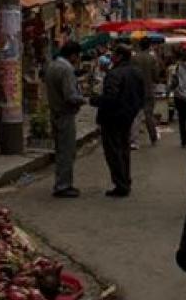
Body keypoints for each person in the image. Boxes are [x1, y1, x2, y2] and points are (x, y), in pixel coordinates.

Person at [91, 45, 146, 197]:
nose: (111, 57)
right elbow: (141, 96)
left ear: (120, 56)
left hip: (112, 117)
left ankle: (121, 184)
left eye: (113, 54)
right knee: (123, 149)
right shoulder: (136, 72)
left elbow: (110, 98)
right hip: (127, 117)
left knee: (114, 152)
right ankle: (125, 181)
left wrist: (94, 100)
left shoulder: (115, 74)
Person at [44, 42, 87, 198]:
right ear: (73, 55)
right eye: (78, 56)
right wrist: (84, 99)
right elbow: (70, 96)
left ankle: (61, 182)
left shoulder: (52, 65)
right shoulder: (66, 69)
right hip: (64, 113)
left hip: (55, 111)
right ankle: (63, 185)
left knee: (61, 150)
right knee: (67, 151)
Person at [130, 39, 161, 150]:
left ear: (139, 46)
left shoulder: (133, 58)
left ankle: (134, 141)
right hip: (149, 90)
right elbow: (156, 76)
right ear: (149, 46)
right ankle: (153, 137)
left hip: (136, 90)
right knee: (149, 115)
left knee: (135, 116)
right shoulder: (152, 58)